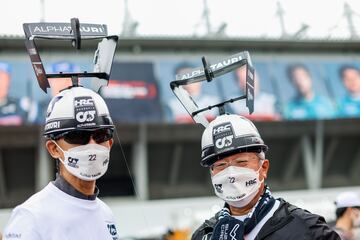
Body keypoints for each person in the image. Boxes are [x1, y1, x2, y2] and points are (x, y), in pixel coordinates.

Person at [192, 114, 340, 239]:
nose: (231, 174)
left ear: (263, 167)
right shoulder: (204, 235)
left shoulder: (308, 229)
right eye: (221, 166)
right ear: (212, 173)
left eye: (241, 162)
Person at [3, 86, 120, 239]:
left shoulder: (106, 214)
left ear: (110, 143)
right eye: (78, 136)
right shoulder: (31, 216)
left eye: (101, 135)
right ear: (54, 149)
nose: (92, 145)